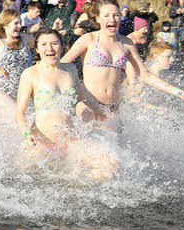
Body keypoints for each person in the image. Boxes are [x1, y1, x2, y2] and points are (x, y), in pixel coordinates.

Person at [60, 0, 184, 130]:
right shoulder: (89, 39)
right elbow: (61, 66)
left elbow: (145, 75)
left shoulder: (127, 43)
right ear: (98, 19)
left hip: (113, 108)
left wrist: (179, 93)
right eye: (106, 15)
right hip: (89, 105)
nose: (112, 19)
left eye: (115, 15)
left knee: (117, 151)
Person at [16, 29, 118, 180]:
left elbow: (82, 94)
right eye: (44, 44)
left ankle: (78, 190)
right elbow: (20, 112)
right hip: (42, 143)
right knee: (28, 178)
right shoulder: (31, 73)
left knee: (110, 164)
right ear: (37, 48)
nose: (49, 48)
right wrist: (26, 134)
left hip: (70, 142)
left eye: (54, 43)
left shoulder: (70, 69)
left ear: (62, 47)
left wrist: (98, 111)